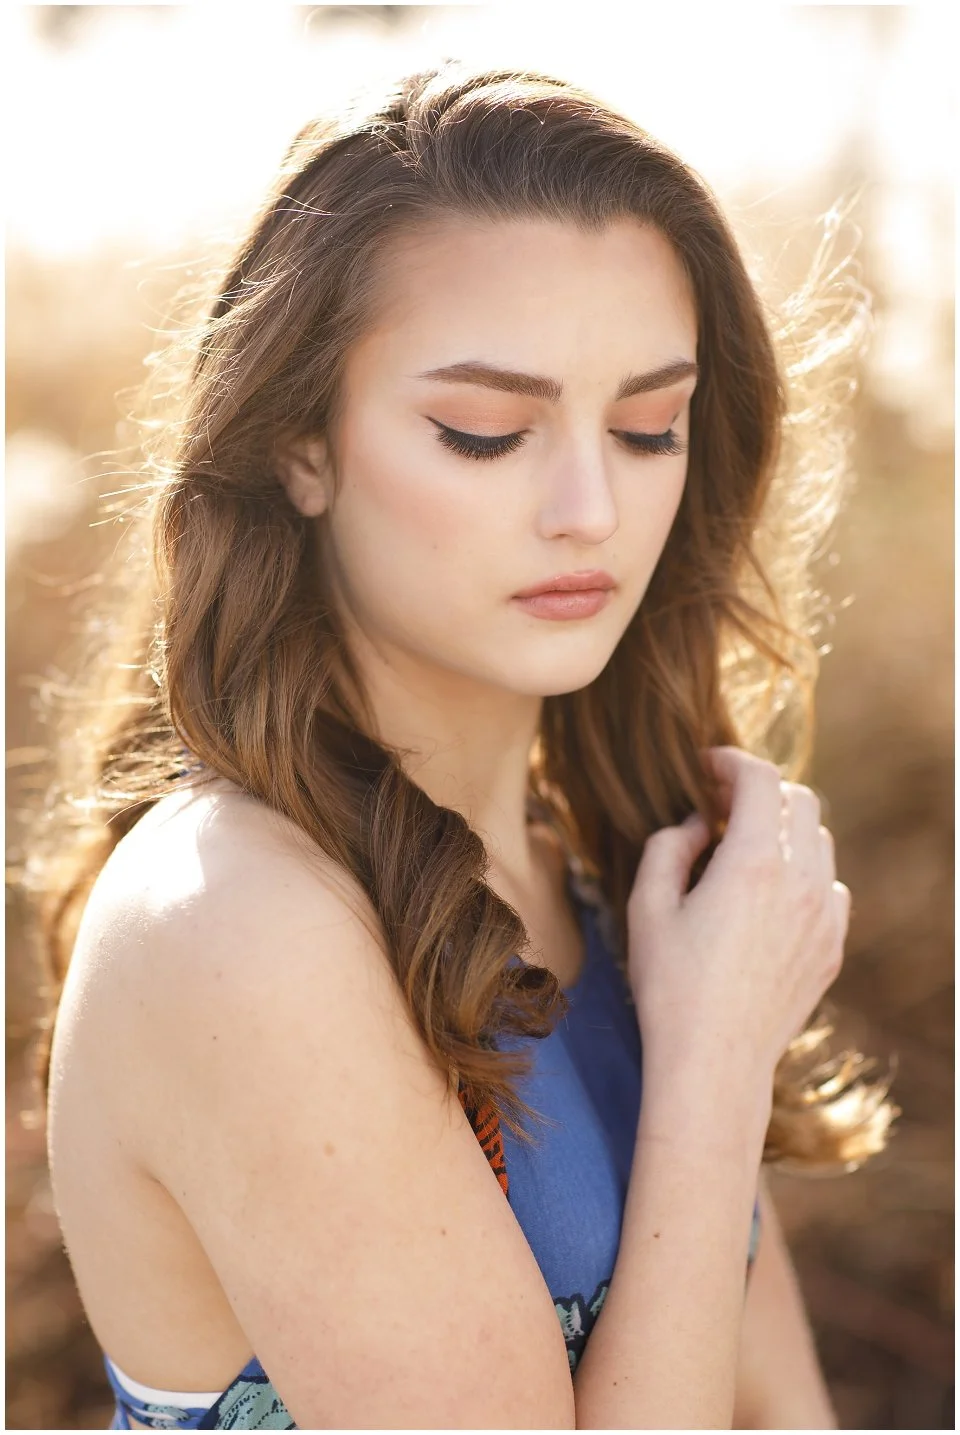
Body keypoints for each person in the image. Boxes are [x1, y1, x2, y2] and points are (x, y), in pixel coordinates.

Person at [26, 63, 897, 1429]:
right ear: (301, 447)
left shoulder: (612, 872)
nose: (590, 508)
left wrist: (709, 1032)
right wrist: (714, 1065)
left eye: (648, 425)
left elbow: (781, 1413)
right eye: (485, 433)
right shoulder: (235, 918)